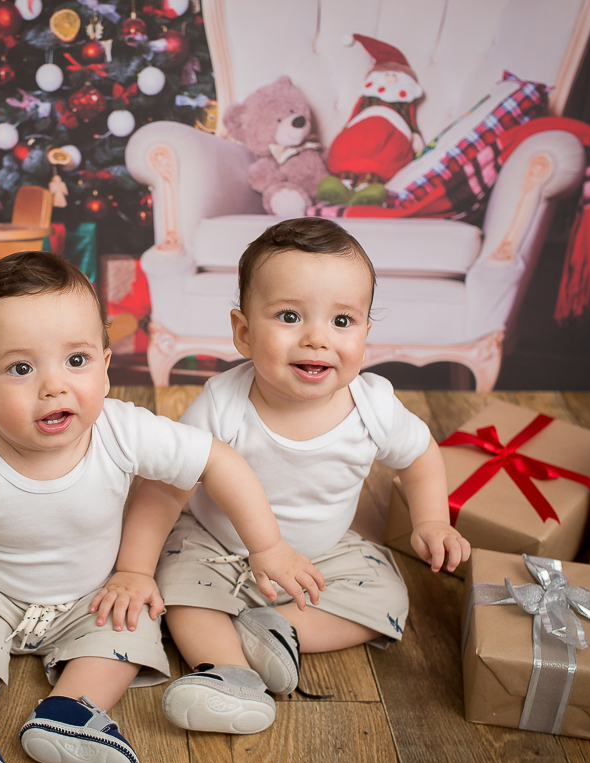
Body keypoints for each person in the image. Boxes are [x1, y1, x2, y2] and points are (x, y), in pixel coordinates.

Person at [0, 250, 324, 763]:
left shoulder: (123, 431)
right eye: (21, 369)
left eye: (75, 360)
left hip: (91, 587)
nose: (54, 387)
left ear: (104, 360)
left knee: (132, 621)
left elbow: (217, 459)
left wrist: (267, 547)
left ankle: (71, 712)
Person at [120, 217, 471, 735]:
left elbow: (419, 456)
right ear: (243, 332)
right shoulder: (224, 404)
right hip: (219, 546)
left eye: (342, 322)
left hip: (320, 554)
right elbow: (165, 493)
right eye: (289, 316)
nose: (317, 339)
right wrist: (133, 568)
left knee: (388, 598)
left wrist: (432, 519)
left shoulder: (373, 406)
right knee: (179, 590)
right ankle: (229, 675)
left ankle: (279, 631)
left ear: (366, 335)